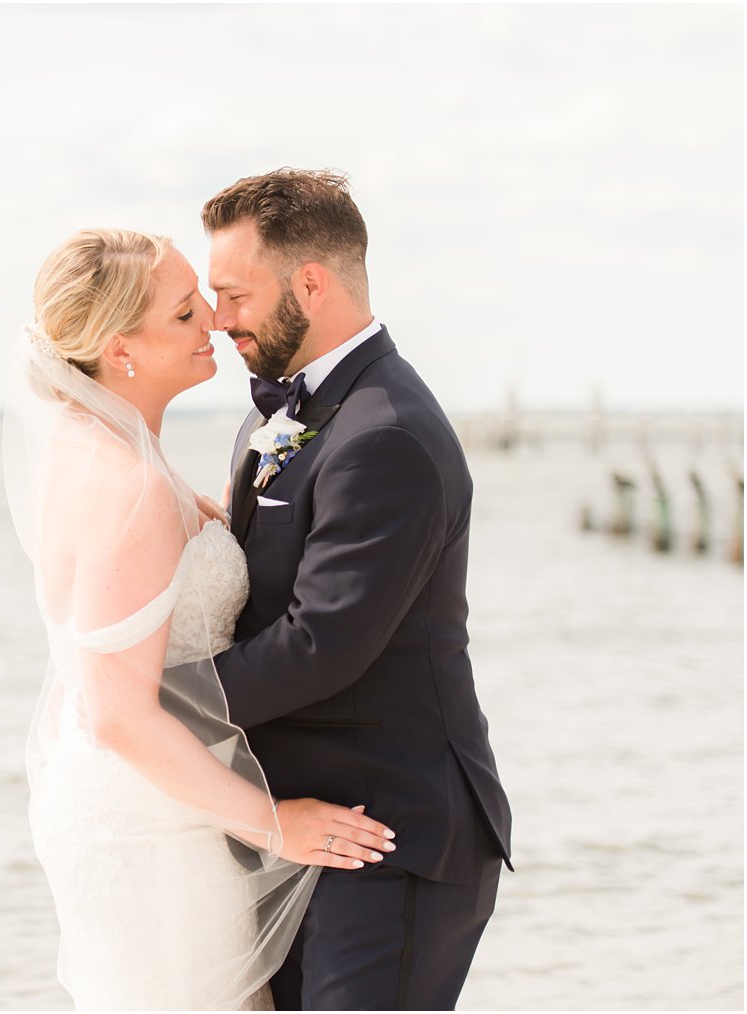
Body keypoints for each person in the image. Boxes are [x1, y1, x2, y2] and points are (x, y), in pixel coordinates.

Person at [3, 228, 395, 1010]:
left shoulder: (105, 452)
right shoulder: (129, 487)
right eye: (185, 313)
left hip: (148, 801)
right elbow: (118, 716)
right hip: (150, 827)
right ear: (122, 350)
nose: (214, 321)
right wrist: (272, 825)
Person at [205, 168, 514, 1009]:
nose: (218, 317)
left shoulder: (388, 435)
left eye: (234, 294)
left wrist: (154, 705)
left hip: (390, 837)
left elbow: (320, 643)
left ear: (311, 282)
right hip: (300, 833)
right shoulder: (278, 414)